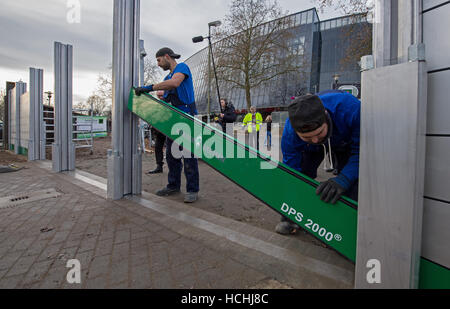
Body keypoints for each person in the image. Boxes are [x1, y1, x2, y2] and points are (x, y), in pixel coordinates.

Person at [276, 91, 360, 235]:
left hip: (345, 141)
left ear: (326, 117)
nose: (315, 140)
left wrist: (344, 179)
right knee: (301, 175)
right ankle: (291, 217)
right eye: (307, 137)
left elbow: (362, 151)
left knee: (352, 183)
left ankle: (347, 224)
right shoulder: (290, 133)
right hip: (310, 150)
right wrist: (292, 201)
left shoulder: (350, 108)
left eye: (319, 133)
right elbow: (292, 174)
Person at [135, 47, 200, 203]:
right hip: (175, 118)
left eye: (158, 60)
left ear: (166, 56)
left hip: (187, 116)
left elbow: (175, 83)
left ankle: (192, 190)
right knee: (172, 155)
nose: (158, 64)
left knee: (188, 155)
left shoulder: (181, 67)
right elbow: (166, 95)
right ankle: (173, 185)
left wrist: (149, 87)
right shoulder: (167, 77)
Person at [147, 91, 167, 174]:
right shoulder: (156, 105)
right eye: (158, 96)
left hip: (168, 129)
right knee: (158, 148)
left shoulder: (169, 104)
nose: (160, 97)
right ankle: (159, 166)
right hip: (159, 130)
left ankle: (178, 167)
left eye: (161, 96)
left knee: (172, 149)